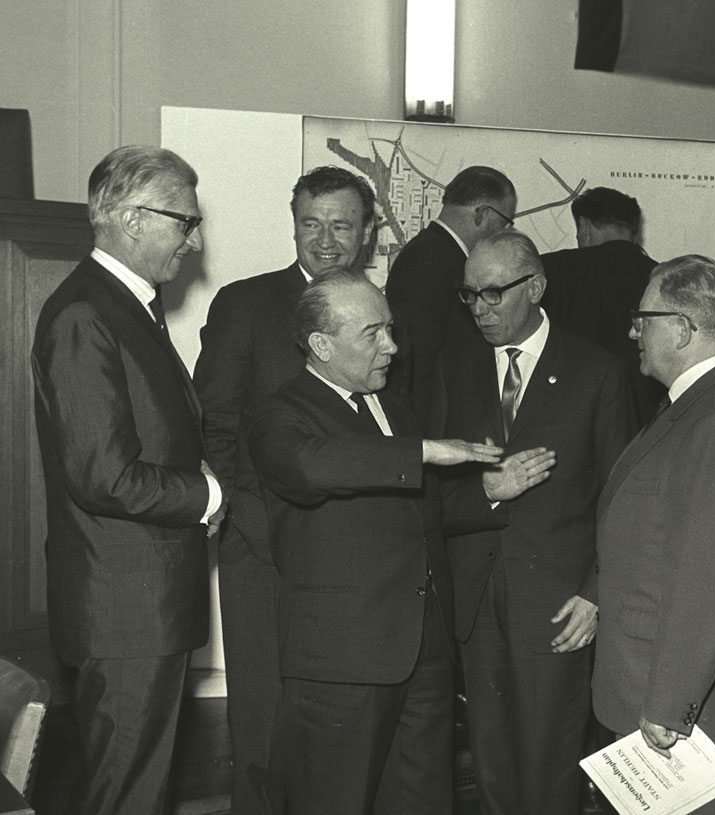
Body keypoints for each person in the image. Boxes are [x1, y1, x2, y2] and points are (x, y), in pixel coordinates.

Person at [249, 270, 546, 813]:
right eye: (372, 334)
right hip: (343, 663)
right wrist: (425, 451)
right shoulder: (280, 415)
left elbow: (417, 512)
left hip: (424, 651)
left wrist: (487, 491)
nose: (391, 346)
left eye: (389, 329)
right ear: (321, 346)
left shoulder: (392, 403)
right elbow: (311, 467)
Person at [31, 145, 223, 814]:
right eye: (185, 222)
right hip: (126, 611)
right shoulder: (87, 314)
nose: (193, 241)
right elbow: (104, 475)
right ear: (133, 219)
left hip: (142, 606)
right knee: (128, 796)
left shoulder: (127, 305)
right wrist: (208, 494)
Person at [192, 165, 376, 815]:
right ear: (293, 224)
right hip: (263, 551)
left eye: (341, 225)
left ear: (367, 232)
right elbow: (213, 425)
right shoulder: (244, 305)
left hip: (355, 562)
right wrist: (250, 523)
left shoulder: (382, 316)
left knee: (341, 732)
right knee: (263, 727)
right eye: (310, 224)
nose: (325, 241)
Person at [432, 230, 635, 815]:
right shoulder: (454, 368)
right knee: (491, 766)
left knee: (550, 768)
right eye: (469, 295)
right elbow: (431, 497)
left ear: (536, 288)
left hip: (559, 605)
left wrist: (597, 594)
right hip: (476, 601)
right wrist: (487, 492)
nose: (480, 308)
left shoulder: (597, 373)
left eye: (493, 293)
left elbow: (621, 502)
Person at [592, 255, 715, 815]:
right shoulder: (708, 401)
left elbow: (710, 580)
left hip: (685, 712)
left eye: (642, 319)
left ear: (680, 328)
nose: (634, 331)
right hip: (674, 696)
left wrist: (670, 703)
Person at [385, 165, 517, 426]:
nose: (504, 232)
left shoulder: (435, 254)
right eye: (504, 222)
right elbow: (421, 365)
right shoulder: (430, 261)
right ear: (482, 214)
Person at [541, 186, 664, 425]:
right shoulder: (663, 277)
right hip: (643, 421)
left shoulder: (552, 270)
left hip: (571, 415)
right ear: (634, 231)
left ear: (584, 227)